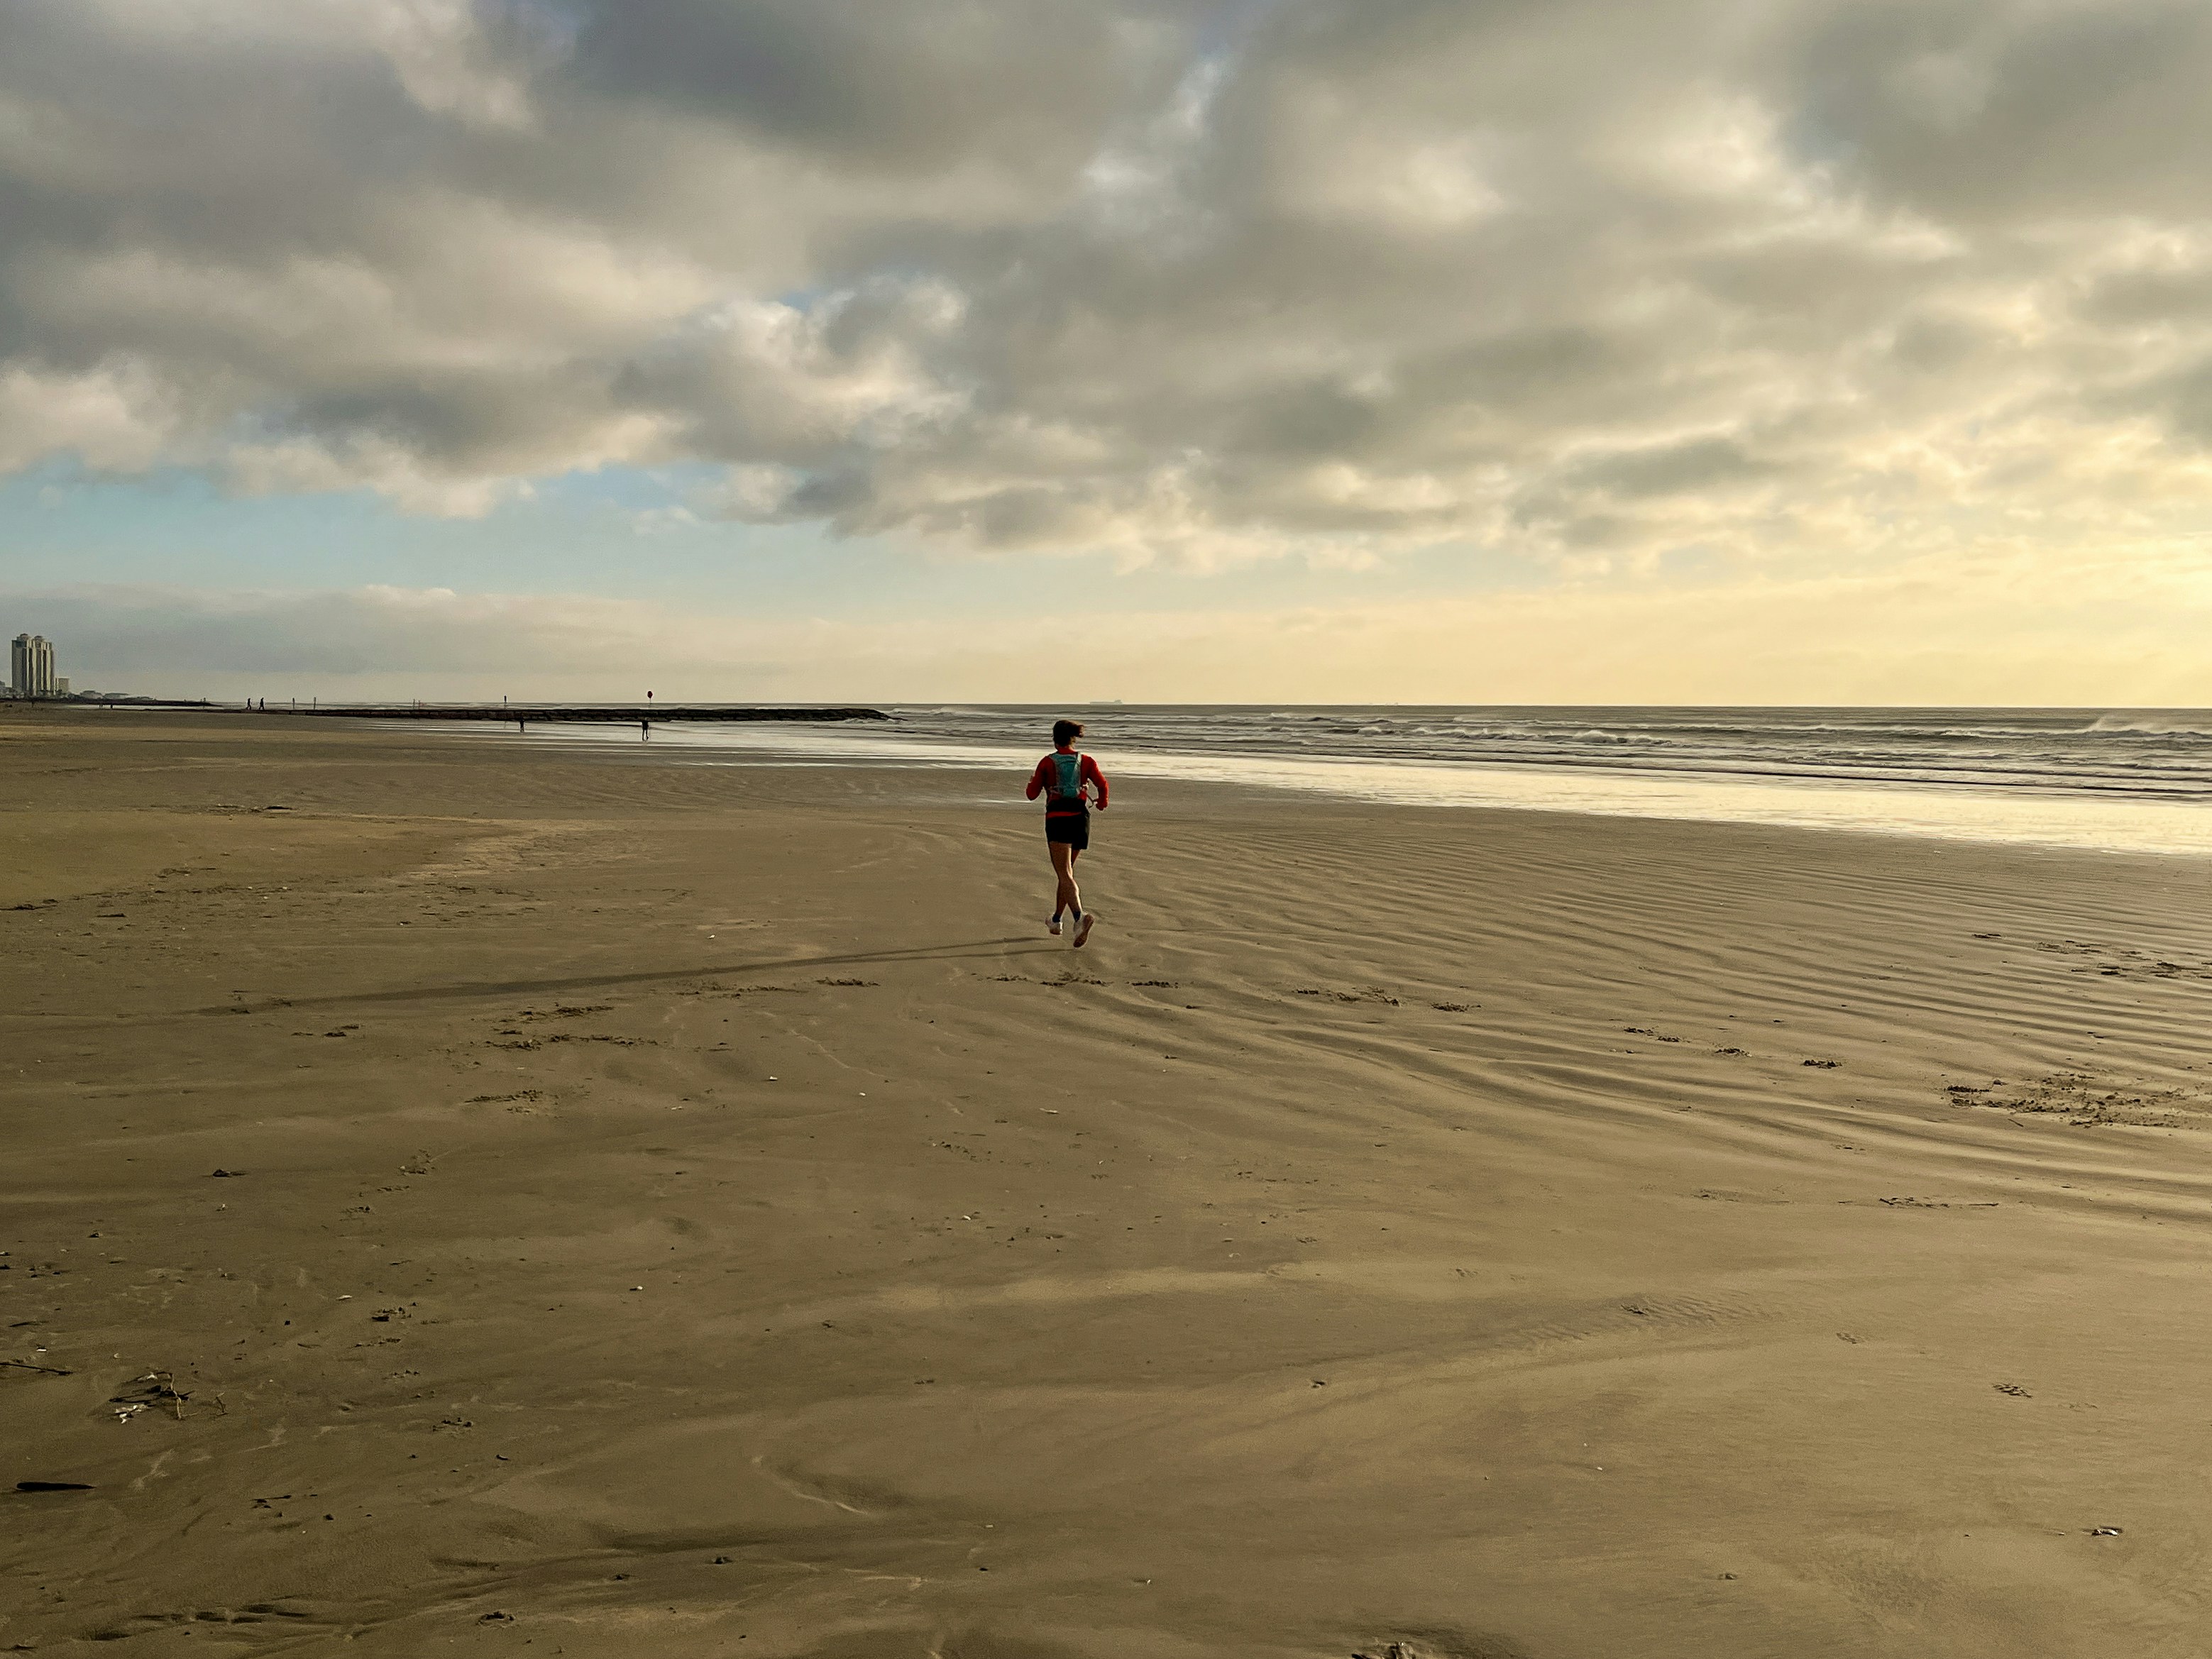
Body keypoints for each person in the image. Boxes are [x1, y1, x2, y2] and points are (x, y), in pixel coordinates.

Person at [1025, 719, 1108, 947]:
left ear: (1054, 738)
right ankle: (1056, 920)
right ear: (1073, 738)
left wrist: (1033, 782)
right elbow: (1102, 785)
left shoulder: (1047, 763)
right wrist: (1101, 803)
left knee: (1065, 874)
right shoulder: (1086, 761)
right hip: (1081, 819)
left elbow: (1031, 795)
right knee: (1067, 873)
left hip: (1058, 820)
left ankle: (1080, 917)